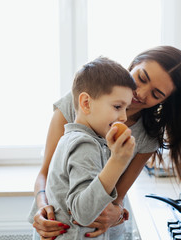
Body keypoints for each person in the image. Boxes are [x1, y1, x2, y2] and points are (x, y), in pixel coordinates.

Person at [29, 46, 181, 239]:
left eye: (156, 95)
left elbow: (117, 196)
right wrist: (43, 205)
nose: (140, 93)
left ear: (164, 101)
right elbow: (46, 173)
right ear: (134, 64)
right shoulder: (83, 100)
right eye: (141, 78)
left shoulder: (147, 136)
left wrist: (115, 213)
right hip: (57, 226)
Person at [32, 57, 136, 239]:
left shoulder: (76, 138)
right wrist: (117, 161)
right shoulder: (84, 144)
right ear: (86, 103)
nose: (124, 117)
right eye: (118, 106)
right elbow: (84, 214)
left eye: (126, 108)